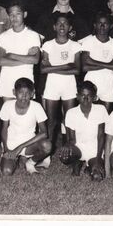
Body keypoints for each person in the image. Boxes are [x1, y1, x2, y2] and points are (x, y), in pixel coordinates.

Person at [40, 12, 81, 148]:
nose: (62, 26)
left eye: (65, 23)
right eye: (59, 23)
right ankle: (47, 152)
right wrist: (66, 65)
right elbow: (43, 69)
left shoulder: (75, 46)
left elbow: (76, 70)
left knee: (69, 119)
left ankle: (69, 150)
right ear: (54, 27)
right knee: (51, 120)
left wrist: (53, 67)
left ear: (70, 27)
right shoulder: (47, 45)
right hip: (52, 85)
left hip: (69, 86)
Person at [0, 78, 52, 175]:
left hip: (29, 144)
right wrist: (6, 149)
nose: (24, 96)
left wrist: (21, 147)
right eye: (20, 92)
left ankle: (30, 163)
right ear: (14, 92)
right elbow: (4, 129)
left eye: (27, 93)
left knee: (47, 145)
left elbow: (44, 133)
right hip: (11, 143)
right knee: (7, 171)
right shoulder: (7, 105)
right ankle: (17, 159)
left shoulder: (37, 106)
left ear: (32, 94)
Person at [59, 81, 108, 179]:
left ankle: (90, 167)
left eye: (89, 95)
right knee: (64, 156)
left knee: (97, 176)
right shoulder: (71, 113)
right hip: (78, 147)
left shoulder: (101, 109)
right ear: (77, 96)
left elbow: (101, 136)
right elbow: (72, 139)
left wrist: (98, 159)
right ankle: (77, 163)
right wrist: (67, 146)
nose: (85, 98)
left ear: (94, 97)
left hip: (95, 149)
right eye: (82, 95)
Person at [0, 0, 41, 102]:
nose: (14, 17)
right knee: (8, 115)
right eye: (11, 14)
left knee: (25, 115)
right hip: (7, 81)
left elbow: (35, 60)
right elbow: (1, 61)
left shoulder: (33, 35)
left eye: (18, 14)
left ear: (24, 14)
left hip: (26, 81)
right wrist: (26, 58)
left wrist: (11, 55)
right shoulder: (4, 36)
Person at [80, 12, 113, 112]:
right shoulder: (88, 41)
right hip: (91, 81)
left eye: (106, 23)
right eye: (100, 23)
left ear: (111, 26)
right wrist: (110, 64)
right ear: (95, 25)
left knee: (106, 117)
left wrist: (92, 61)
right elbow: (85, 67)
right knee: (89, 116)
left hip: (108, 83)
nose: (102, 26)